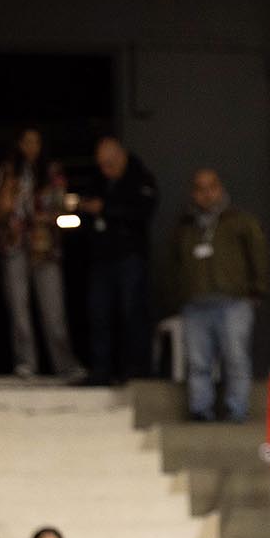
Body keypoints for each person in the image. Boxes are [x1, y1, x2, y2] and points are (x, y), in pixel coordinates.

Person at [174, 168, 269, 424]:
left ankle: (237, 409)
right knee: (198, 361)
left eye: (211, 187)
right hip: (195, 304)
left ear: (220, 189)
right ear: (193, 193)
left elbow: (258, 255)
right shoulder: (186, 226)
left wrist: (257, 289)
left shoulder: (240, 221)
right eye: (200, 188)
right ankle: (200, 408)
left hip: (233, 301)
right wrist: (180, 295)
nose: (206, 194)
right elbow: (175, 264)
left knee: (236, 358)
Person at [0, 128, 83, 382]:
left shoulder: (52, 172)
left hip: (45, 247)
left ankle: (64, 364)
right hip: (14, 245)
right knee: (18, 307)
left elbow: (62, 206)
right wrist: (9, 190)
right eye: (26, 142)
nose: (31, 147)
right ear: (18, 144)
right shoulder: (6, 172)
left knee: (54, 309)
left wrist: (42, 217)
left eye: (36, 142)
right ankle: (25, 362)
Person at [79, 136, 158, 386]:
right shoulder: (97, 181)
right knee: (99, 314)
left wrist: (106, 208)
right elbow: (84, 212)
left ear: (121, 156)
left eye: (110, 164)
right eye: (101, 164)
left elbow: (141, 212)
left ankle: (135, 369)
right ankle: (101, 370)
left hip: (129, 257)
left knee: (132, 313)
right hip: (101, 259)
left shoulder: (140, 178)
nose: (105, 170)